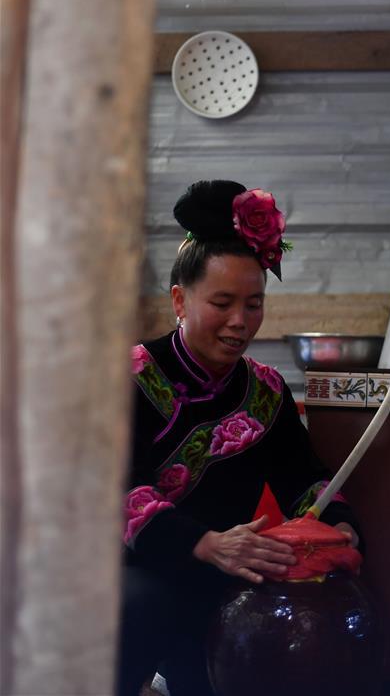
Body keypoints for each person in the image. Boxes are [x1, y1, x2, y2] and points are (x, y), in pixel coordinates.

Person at [116, 180, 361, 696]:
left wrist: (339, 525)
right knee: (137, 606)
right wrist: (203, 543)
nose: (240, 322)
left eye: (253, 304)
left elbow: (306, 478)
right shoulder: (130, 376)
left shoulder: (264, 391)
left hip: (227, 579)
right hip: (133, 573)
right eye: (222, 302)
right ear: (180, 300)